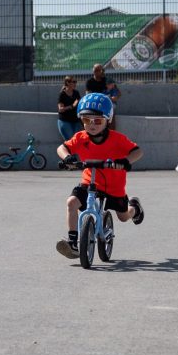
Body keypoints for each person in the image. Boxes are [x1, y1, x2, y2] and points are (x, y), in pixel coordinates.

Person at [55, 92, 144, 259]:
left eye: (97, 120)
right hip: (89, 183)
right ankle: (73, 243)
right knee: (72, 202)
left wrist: (126, 161)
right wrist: (67, 157)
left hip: (114, 186)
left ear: (107, 119)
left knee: (124, 217)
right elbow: (62, 148)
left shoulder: (117, 139)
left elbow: (137, 151)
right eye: (86, 120)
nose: (91, 125)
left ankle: (135, 208)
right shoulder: (80, 137)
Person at [86, 63, 121, 129]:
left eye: (98, 70)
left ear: (102, 71)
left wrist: (114, 98)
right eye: (95, 70)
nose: (96, 72)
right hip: (95, 103)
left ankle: (111, 132)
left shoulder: (106, 80)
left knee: (111, 111)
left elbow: (118, 92)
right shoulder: (89, 82)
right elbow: (88, 95)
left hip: (106, 102)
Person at [56, 75, 82, 141]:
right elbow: (61, 109)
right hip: (65, 121)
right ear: (67, 82)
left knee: (78, 141)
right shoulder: (62, 94)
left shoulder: (76, 93)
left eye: (76, 82)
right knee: (71, 141)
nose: (75, 84)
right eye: (73, 82)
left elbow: (80, 103)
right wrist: (72, 106)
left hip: (76, 120)